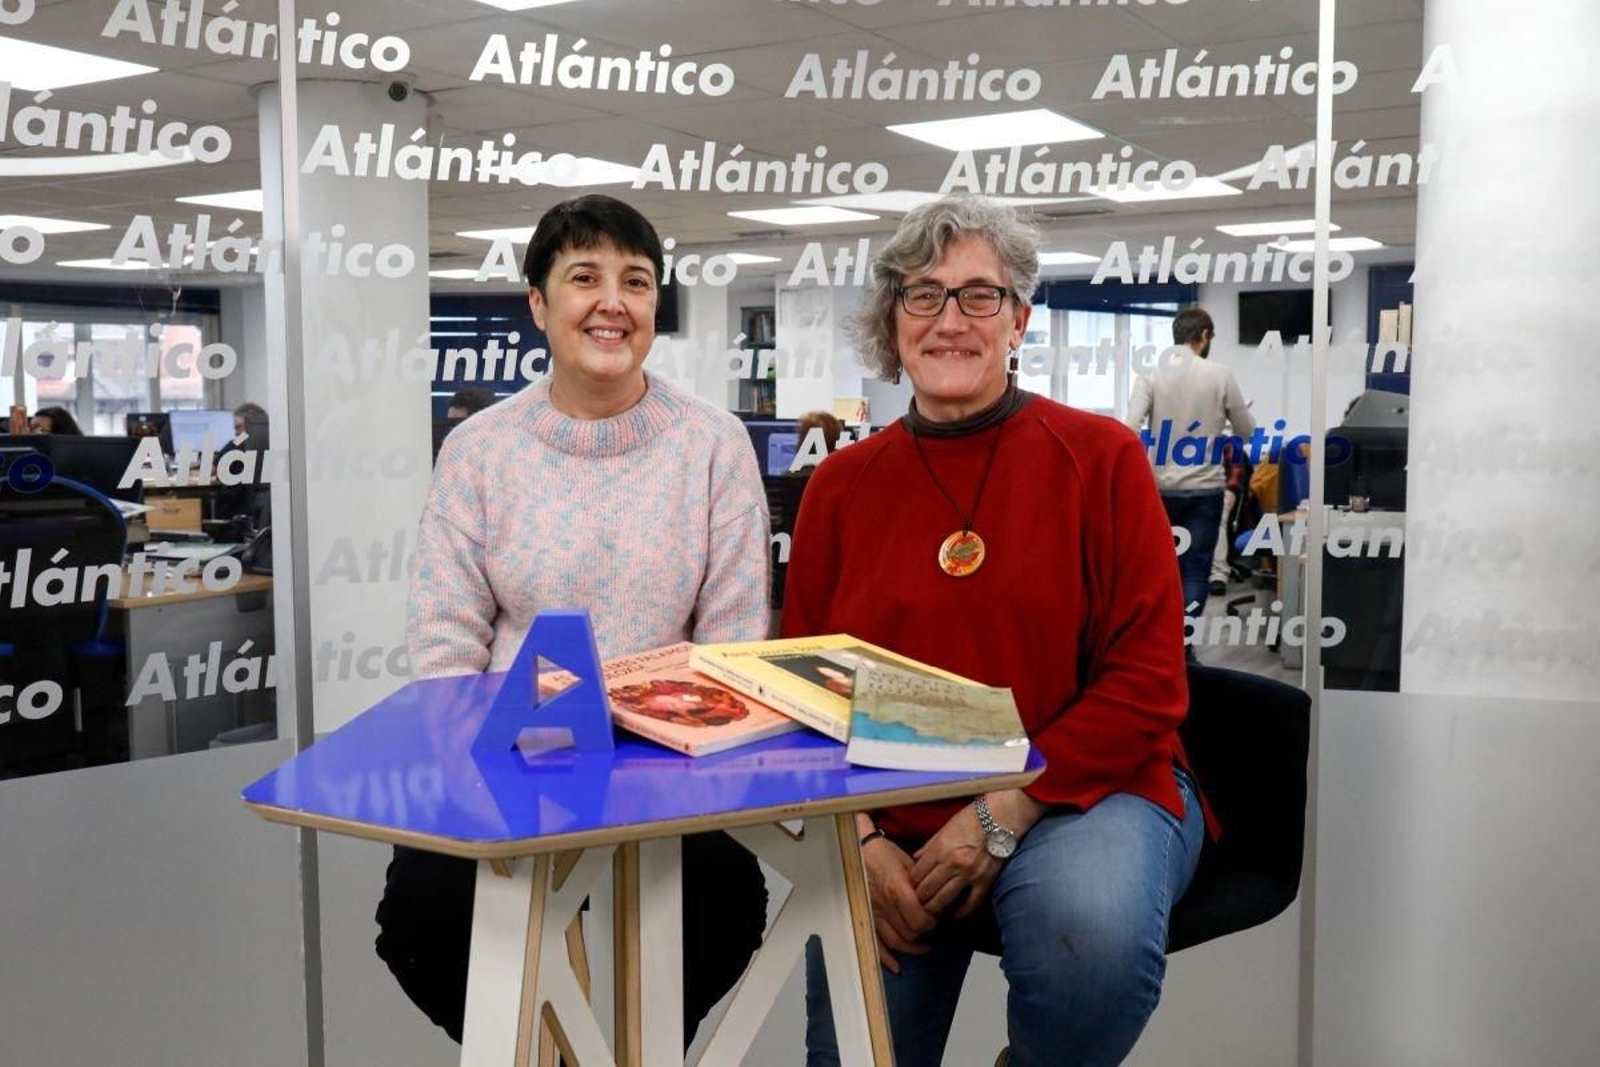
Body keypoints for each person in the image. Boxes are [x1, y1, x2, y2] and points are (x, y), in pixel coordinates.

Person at [783, 196, 1207, 1067]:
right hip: (890, 814)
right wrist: (855, 839)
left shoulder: (1100, 457)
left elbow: (1149, 683)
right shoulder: (839, 486)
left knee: (1086, 935)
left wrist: (1003, 809)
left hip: (1084, 788)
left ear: (1018, 319)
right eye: (923, 295)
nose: (950, 321)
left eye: (979, 296)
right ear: (890, 320)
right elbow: (805, 691)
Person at [377, 194, 772, 1047]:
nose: (613, 302)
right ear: (538, 304)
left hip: (672, 770)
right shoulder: (480, 448)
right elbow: (447, 641)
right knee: (421, 918)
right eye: (584, 277)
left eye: (636, 280)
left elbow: (736, 644)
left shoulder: (713, 444)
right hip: (514, 766)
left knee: (721, 911)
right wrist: (481, 770)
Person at [1126, 306, 1255, 619]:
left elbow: (1129, 430)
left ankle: (1160, 643)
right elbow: (1246, 432)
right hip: (1204, 490)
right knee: (1195, 572)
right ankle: (1185, 646)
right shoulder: (1220, 376)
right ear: (1204, 336)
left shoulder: (1151, 374)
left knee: (1159, 570)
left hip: (1160, 490)